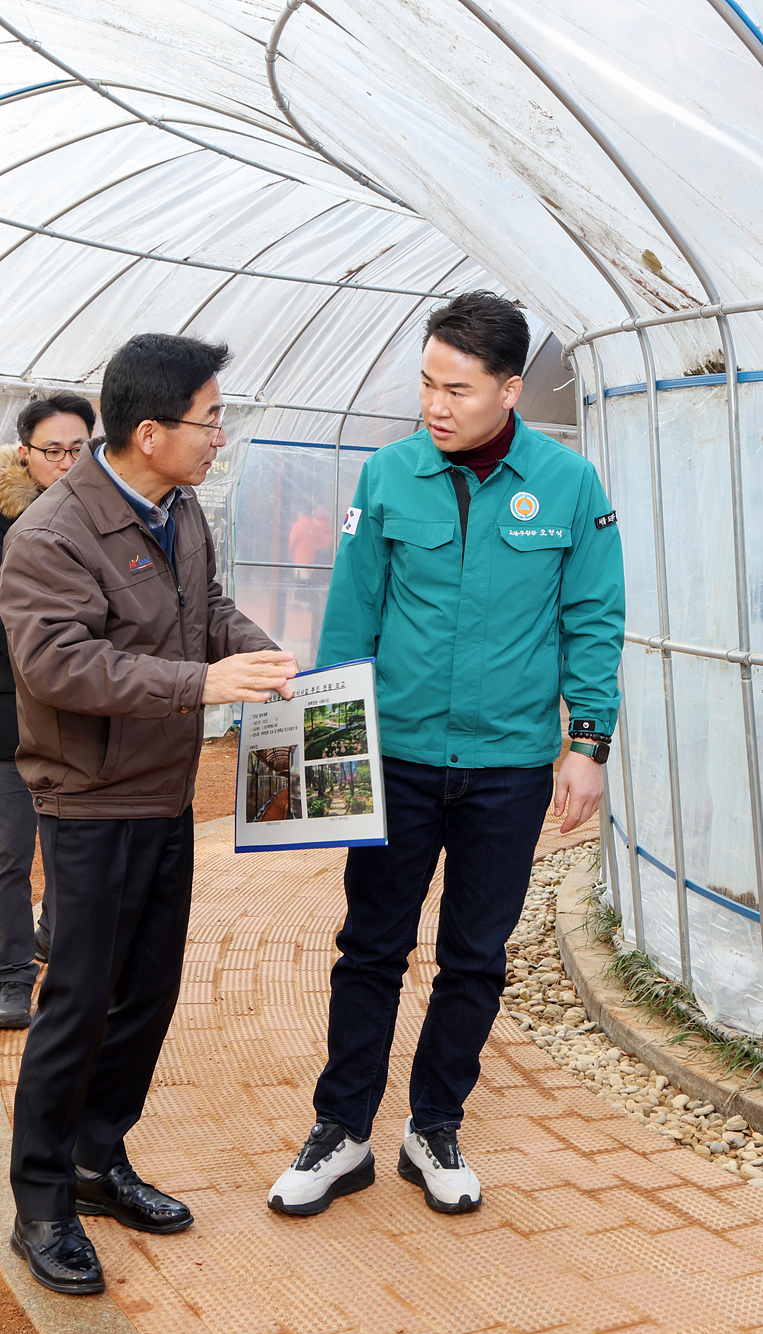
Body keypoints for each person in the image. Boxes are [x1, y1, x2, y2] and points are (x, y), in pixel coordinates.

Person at [267, 290, 624, 1217]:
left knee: (475, 955)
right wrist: (326, 756)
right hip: (400, 756)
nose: (435, 404)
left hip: (508, 765)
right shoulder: (389, 476)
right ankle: (342, 1132)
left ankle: (434, 1128)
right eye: (427, 383)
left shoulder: (571, 486)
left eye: (457, 389)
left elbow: (593, 618)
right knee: (370, 947)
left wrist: (586, 743)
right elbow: (351, 616)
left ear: (509, 390)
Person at [0, 333, 298, 1295]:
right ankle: (40, 1202)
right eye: (212, 421)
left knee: (150, 992)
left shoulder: (181, 509)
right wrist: (205, 683)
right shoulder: (51, 535)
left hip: (164, 792)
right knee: (80, 1002)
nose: (221, 438)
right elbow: (60, 667)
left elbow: (203, 609)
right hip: (90, 802)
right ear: (151, 430)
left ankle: (97, 1158)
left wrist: (263, 656)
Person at [0, 394, 96, 1030]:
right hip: (13, 714)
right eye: (52, 451)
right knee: (10, 849)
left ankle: (52, 939)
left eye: (78, 450)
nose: (66, 463)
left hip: (78, 712)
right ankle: (13, 976)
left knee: (70, 844)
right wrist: (76, 644)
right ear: (25, 453)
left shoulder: (105, 513)